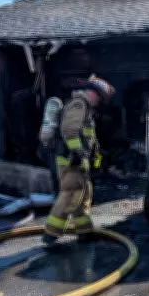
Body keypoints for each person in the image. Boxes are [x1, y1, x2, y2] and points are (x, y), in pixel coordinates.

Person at [44, 75, 115, 245]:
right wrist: (78, 154)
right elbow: (69, 130)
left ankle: (85, 231)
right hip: (71, 161)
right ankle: (51, 233)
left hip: (80, 162)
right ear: (92, 93)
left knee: (83, 196)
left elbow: (89, 138)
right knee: (70, 195)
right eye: (99, 97)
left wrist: (94, 160)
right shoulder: (78, 104)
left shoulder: (87, 109)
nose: (99, 101)